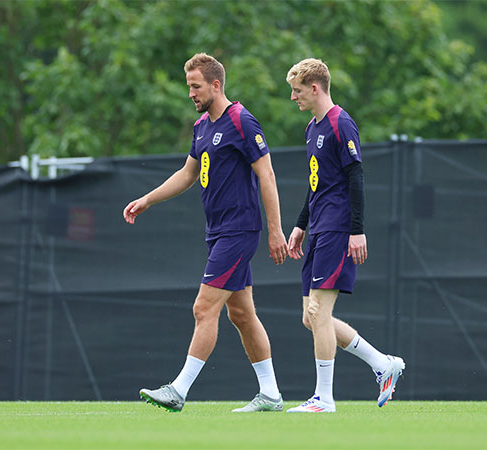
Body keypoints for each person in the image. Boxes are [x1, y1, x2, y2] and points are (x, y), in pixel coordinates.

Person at [123, 53, 288, 413]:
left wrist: (275, 231)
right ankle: (272, 394)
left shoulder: (242, 121)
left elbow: (268, 176)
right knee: (241, 315)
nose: (190, 93)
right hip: (218, 232)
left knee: (203, 308)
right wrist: (147, 199)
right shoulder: (202, 127)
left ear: (216, 85)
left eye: (195, 86)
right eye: (188, 87)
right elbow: (187, 174)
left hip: (239, 230)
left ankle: (178, 391)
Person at [284, 58, 405, 413]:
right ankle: (383, 364)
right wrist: (300, 224)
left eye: (297, 91)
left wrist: (357, 230)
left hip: (338, 227)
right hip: (319, 227)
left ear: (316, 88)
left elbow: (356, 178)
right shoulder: (312, 128)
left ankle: (324, 398)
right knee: (310, 317)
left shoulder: (341, 123)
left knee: (318, 312)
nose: (294, 98)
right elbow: (316, 184)